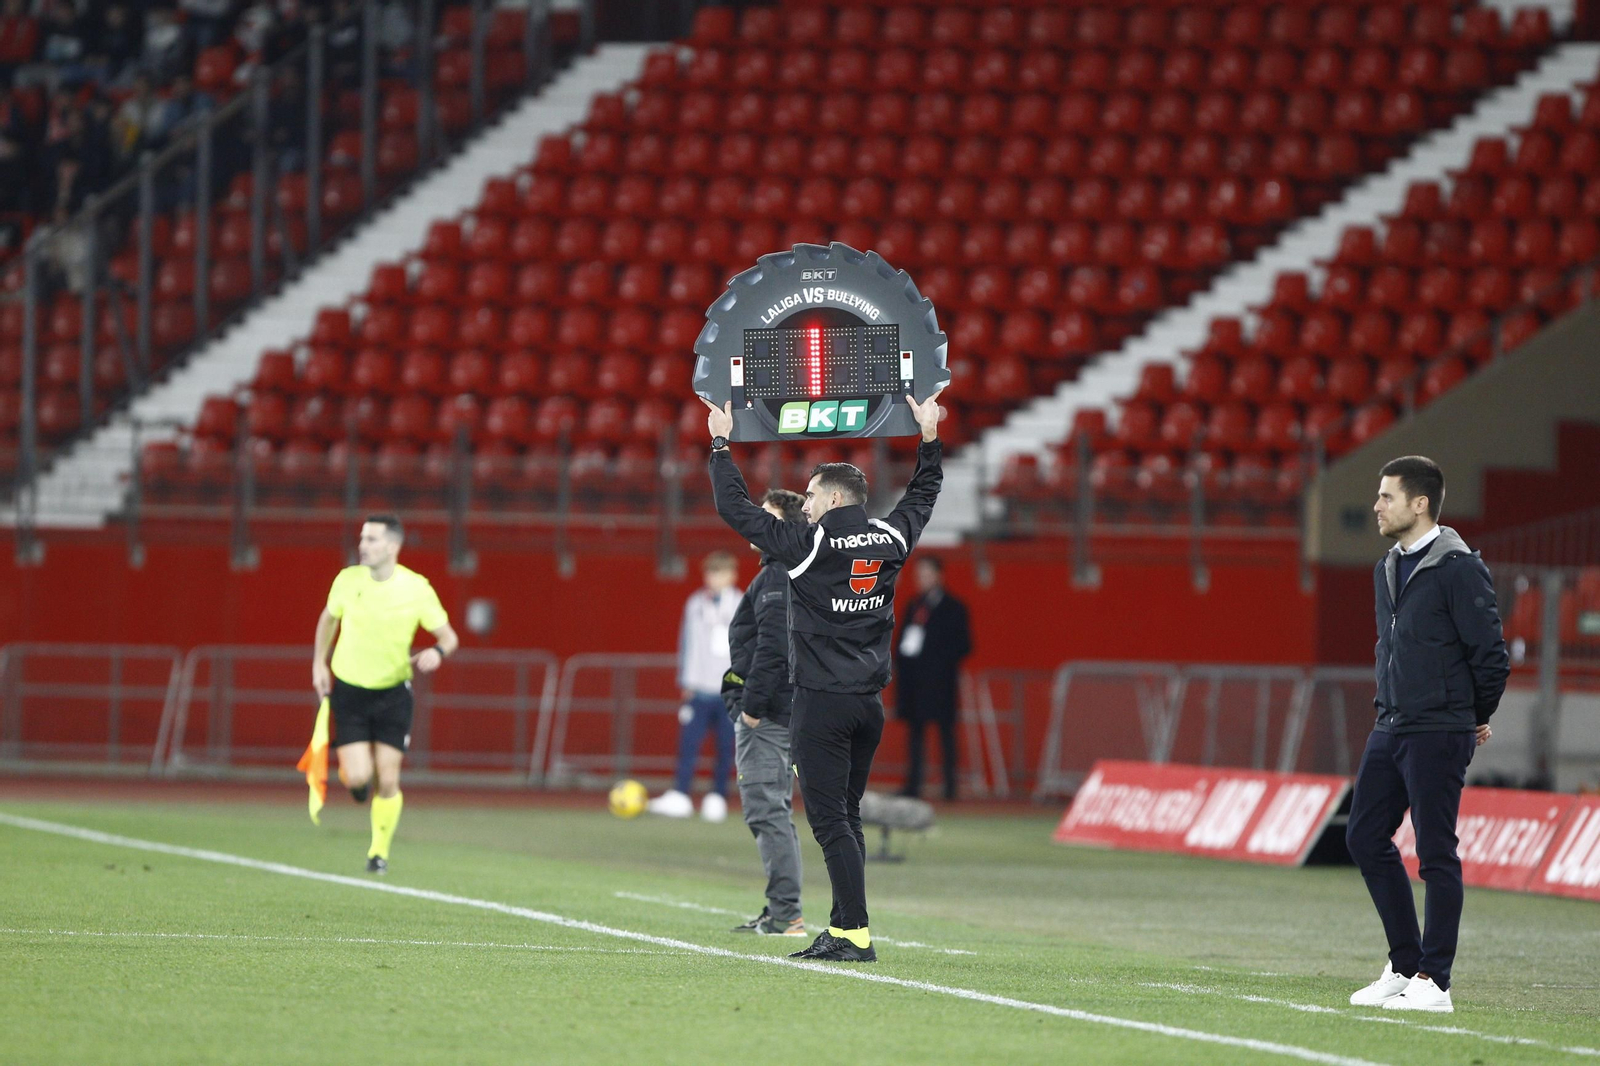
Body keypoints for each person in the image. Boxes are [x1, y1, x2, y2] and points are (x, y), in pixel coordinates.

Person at [703, 387, 946, 962]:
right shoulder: (889, 538)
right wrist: (930, 437)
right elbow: (924, 493)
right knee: (848, 821)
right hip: (869, 706)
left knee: (831, 823)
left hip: (822, 705)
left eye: (811, 494)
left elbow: (734, 510)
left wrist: (720, 443)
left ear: (834, 497)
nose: (805, 503)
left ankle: (853, 933)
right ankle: (845, 928)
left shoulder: (808, 546)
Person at [1345, 456, 1508, 1013]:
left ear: (1420, 504)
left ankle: (1435, 982)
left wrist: (1470, 713)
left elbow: (1491, 657)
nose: (1376, 506)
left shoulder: (1460, 568)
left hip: (1439, 729)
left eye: (1386, 496)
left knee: (1436, 852)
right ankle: (1406, 962)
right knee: (1364, 836)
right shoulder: (1385, 567)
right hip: (1391, 725)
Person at [311, 514, 458, 874]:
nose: (363, 545)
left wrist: (436, 653)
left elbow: (449, 637)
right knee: (359, 778)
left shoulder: (416, 588)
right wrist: (319, 663)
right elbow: (328, 620)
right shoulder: (348, 580)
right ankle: (360, 789)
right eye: (362, 538)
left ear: (392, 546)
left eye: (372, 539)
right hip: (349, 691)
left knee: (388, 778)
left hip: (393, 694)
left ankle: (378, 852)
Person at [723, 487, 807, 938]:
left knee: (767, 811)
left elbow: (773, 649)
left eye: (767, 516)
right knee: (775, 810)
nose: (757, 522)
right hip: (789, 709)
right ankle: (783, 909)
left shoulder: (777, 575)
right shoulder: (789, 572)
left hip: (769, 716)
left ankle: (785, 914)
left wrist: (751, 709)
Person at [649, 551, 741, 822]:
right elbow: (687, 643)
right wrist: (686, 681)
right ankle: (680, 794)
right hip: (699, 687)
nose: (714, 578)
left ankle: (718, 796)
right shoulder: (695, 604)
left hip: (728, 689)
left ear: (732, 575)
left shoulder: (741, 603)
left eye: (720, 572)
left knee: (726, 746)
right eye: (711, 573)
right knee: (688, 743)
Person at [894, 555, 972, 801]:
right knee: (915, 735)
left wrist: (938, 660)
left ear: (938, 575)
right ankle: (913, 784)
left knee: (946, 733)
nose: (921, 579)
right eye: (919, 574)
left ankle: (950, 787)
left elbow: (964, 645)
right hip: (915, 683)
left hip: (941, 682)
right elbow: (903, 642)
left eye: (926, 574)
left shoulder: (954, 608)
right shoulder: (914, 606)